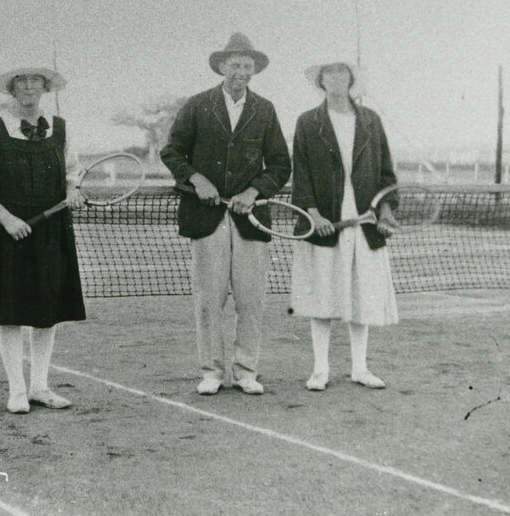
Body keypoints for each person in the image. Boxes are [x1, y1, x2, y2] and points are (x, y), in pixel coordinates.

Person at [160, 33, 291, 396]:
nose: (241, 72)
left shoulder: (265, 109)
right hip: (206, 217)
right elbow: (172, 152)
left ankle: (246, 372)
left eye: (248, 66)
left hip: (251, 220)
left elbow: (280, 164)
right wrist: (197, 179)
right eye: (235, 65)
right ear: (222, 66)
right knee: (209, 301)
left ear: (254, 70)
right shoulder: (197, 105)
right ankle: (212, 372)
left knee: (250, 301)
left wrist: (253, 192)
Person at [0, 67, 86, 414]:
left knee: (47, 312)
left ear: (46, 87)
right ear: (12, 88)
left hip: (51, 231)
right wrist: (7, 220)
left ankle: (40, 387)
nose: (29, 86)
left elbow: (72, 174)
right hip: (7, 231)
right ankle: (17, 390)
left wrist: (73, 190)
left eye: (36, 81)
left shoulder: (61, 128)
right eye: (22, 81)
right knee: (10, 313)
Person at [290, 61, 399, 392]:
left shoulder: (371, 120)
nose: (336, 78)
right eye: (329, 73)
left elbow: (386, 174)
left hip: (365, 225)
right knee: (322, 299)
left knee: (361, 297)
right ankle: (320, 370)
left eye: (342, 73)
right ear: (321, 80)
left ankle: (360, 369)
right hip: (324, 224)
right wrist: (314, 215)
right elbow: (301, 174)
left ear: (350, 79)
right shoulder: (307, 122)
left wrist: (385, 212)